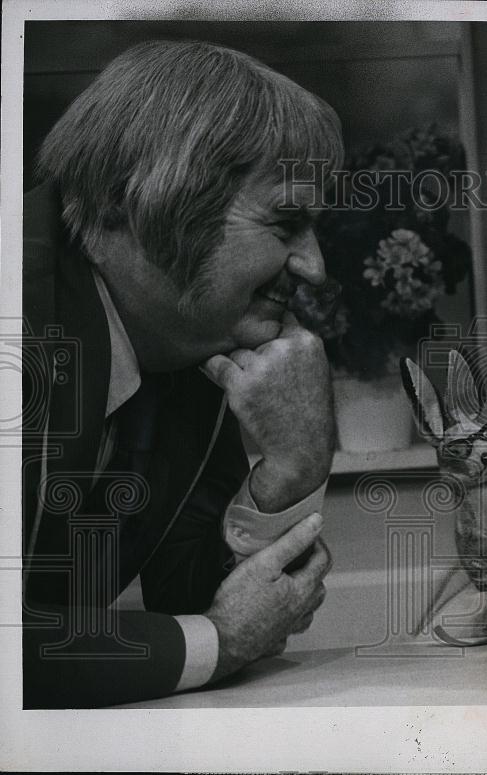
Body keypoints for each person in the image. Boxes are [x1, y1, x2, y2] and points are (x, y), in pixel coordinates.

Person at [22, 40, 342, 707]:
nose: (314, 266)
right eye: (287, 222)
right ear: (146, 201)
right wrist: (218, 640)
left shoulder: (183, 334)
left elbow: (194, 591)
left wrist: (296, 462)